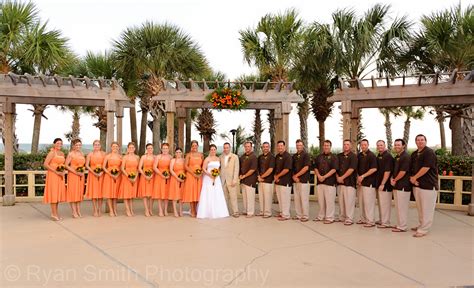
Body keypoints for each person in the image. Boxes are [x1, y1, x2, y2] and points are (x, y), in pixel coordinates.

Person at [410, 134, 438, 237]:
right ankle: (421, 225)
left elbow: (426, 168)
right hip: (417, 185)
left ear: (425, 141)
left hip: (428, 185)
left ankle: (424, 229)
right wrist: (412, 178)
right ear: (415, 142)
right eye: (418, 140)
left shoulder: (429, 153)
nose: (420, 141)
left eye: (422, 140)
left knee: (427, 209)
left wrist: (415, 177)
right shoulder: (414, 154)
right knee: (420, 208)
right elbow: (411, 168)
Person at [196, 144, 229, 219]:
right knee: (208, 193)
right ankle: (206, 212)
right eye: (212, 149)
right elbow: (203, 169)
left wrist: (217, 174)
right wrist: (209, 174)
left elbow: (219, 168)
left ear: (216, 150)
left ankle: (219, 211)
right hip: (208, 178)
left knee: (217, 193)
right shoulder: (207, 159)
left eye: (214, 149)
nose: (213, 151)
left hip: (216, 178)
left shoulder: (218, 159)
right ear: (209, 150)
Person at [313, 140, 338, 224]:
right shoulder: (319, 156)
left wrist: (324, 176)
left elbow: (334, 169)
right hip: (320, 182)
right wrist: (319, 176)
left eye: (328, 145)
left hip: (330, 183)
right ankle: (321, 216)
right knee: (321, 201)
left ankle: (330, 218)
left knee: (329, 201)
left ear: (330, 146)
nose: (326, 147)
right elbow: (315, 167)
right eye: (325, 145)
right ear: (323, 146)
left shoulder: (334, 157)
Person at [391, 139, 412, 233]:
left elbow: (403, 172)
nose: (396, 146)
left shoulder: (406, 157)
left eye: (399, 145)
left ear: (403, 146)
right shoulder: (397, 157)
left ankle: (402, 226)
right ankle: (400, 224)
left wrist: (395, 180)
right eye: (395, 145)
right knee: (398, 206)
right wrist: (392, 179)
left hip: (403, 185)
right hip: (397, 185)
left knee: (402, 207)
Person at [43, 138, 67, 221]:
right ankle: (54, 213)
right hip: (53, 175)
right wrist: (56, 172)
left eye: (61, 143)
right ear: (54, 144)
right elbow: (45, 164)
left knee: (57, 194)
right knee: (53, 194)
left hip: (60, 175)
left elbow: (63, 164)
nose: (59, 145)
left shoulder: (62, 153)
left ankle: (55, 213)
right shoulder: (52, 153)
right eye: (57, 143)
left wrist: (63, 171)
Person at [356, 139, 378, 227]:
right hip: (360, 183)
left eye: (365, 145)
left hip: (369, 183)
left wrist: (362, 176)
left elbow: (374, 169)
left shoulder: (372, 155)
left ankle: (370, 221)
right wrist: (358, 178)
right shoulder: (359, 155)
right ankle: (363, 219)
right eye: (362, 145)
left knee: (369, 203)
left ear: (368, 145)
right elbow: (356, 168)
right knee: (361, 202)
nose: (363, 146)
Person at [336, 139, 358, 225]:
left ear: (351, 146)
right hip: (340, 182)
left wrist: (342, 177)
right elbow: (335, 168)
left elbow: (351, 169)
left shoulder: (353, 156)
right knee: (341, 201)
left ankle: (349, 218)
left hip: (350, 183)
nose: (346, 146)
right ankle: (342, 217)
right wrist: (338, 177)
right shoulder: (338, 156)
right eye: (344, 144)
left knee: (349, 202)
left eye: (347, 144)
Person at [65, 139, 86, 218]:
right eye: (76, 145)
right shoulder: (71, 154)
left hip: (81, 175)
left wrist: (82, 171)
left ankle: (78, 210)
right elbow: (66, 165)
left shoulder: (82, 153)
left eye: (79, 145)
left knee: (79, 193)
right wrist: (76, 172)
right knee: (73, 192)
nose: (78, 146)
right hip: (73, 175)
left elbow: (83, 164)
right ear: (73, 146)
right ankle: (74, 212)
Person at [375, 140, 394, 228]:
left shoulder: (388, 156)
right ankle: (382, 219)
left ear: (385, 145)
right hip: (379, 184)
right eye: (378, 145)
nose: (379, 147)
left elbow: (388, 171)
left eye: (381, 145)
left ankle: (386, 222)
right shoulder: (379, 155)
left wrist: (382, 184)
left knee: (385, 204)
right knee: (381, 203)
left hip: (385, 185)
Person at [292, 139, 311, 222]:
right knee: (297, 199)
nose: (298, 147)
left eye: (300, 145)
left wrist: (296, 175)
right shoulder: (294, 156)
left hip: (303, 181)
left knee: (304, 199)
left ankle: (305, 216)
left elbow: (306, 168)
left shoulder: (306, 155)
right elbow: (292, 168)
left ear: (303, 146)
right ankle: (298, 215)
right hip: (295, 181)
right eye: (297, 145)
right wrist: (294, 176)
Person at [85, 140, 106, 217]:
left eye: (98, 145)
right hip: (92, 175)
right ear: (93, 146)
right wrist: (94, 172)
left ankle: (99, 209)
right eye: (95, 145)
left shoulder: (104, 154)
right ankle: (95, 210)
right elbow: (87, 165)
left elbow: (105, 165)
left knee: (100, 193)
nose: (97, 146)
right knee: (94, 193)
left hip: (101, 174)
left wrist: (102, 172)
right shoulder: (90, 154)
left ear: (100, 146)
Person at [183, 140, 204, 217]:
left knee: (198, 192)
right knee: (192, 192)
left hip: (199, 176)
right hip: (190, 175)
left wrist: (200, 173)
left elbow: (203, 165)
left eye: (196, 145)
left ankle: (197, 209)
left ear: (198, 146)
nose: (194, 147)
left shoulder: (201, 155)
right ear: (191, 147)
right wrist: (193, 173)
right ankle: (192, 210)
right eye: (193, 146)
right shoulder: (188, 155)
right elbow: (186, 166)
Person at [219, 142, 240, 217]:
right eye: (224, 147)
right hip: (223, 180)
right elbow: (219, 168)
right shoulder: (221, 157)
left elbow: (236, 169)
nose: (226, 149)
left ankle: (235, 212)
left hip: (231, 180)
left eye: (227, 147)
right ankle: (226, 212)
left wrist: (235, 179)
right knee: (225, 197)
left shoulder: (235, 157)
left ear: (230, 148)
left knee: (233, 197)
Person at [274, 140, 293, 221]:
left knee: (285, 199)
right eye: (278, 146)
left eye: (281, 146)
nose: (280, 147)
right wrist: (275, 177)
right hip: (278, 181)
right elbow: (276, 168)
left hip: (285, 182)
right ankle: (282, 212)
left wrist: (277, 176)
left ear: (284, 146)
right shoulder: (277, 156)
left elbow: (286, 169)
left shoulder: (288, 156)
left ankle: (286, 215)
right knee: (280, 199)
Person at [119, 142, 139, 217]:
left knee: (131, 194)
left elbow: (138, 169)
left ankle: (131, 209)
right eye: (130, 147)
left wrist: (135, 177)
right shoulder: (125, 157)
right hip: (126, 176)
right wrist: (129, 176)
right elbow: (122, 168)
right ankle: (127, 210)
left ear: (134, 148)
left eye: (132, 148)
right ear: (128, 148)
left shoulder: (137, 157)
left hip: (134, 177)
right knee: (126, 194)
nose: (131, 149)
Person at [102, 142, 122, 217]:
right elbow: (104, 167)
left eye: (116, 146)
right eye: (113, 146)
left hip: (117, 176)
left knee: (115, 194)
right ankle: (111, 210)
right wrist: (110, 174)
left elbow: (121, 168)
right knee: (110, 193)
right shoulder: (108, 156)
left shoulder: (120, 157)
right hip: (109, 176)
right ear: (111, 147)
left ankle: (115, 209)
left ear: (118, 148)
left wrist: (117, 174)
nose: (115, 148)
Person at [153, 143, 172, 216]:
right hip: (159, 176)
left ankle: (165, 210)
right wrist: (161, 175)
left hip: (168, 177)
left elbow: (172, 167)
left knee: (166, 193)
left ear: (168, 149)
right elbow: (155, 167)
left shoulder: (170, 157)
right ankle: (160, 210)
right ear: (161, 149)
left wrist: (168, 175)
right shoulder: (158, 157)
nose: (165, 150)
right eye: (163, 148)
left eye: (166, 148)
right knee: (160, 193)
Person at [239, 141, 258, 217]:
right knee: (245, 197)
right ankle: (245, 210)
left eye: (248, 146)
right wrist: (240, 175)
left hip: (250, 180)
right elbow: (240, 167)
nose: (247, 148)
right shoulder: (242, 156)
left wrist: (244, 176)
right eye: (246, 146)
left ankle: (250, 212)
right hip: (243, 180)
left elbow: (253, 169)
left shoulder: (253, 157)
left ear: (251, 147)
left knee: (250, 197)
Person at [257, 142, 275, 218]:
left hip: (268, 181)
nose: (265, 148)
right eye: (264, 147)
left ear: (269, 147)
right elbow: (257, 168)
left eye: (267, 147)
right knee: (261, 197)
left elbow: (270, 169)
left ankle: (267, 212)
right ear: (262, 148)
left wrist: (262, 177)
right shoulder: (260, 157)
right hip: (260, 181)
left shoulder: (272, 157)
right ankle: (262, 211)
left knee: (267, 197)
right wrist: (258, 176)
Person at [138, 143, 155, 217]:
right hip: (144, 176)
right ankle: (146, 210)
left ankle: (150, 209)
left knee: (151, 194)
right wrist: (145, 175)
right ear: (146, 149)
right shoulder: (143, 157)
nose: (150, 149)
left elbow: (156, 167)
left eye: (151, 148)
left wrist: (152, 175)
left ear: (153, 149)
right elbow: (139, 168)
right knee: (145, 194)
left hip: (153, 176)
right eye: (148, 148)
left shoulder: (155, 157)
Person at [169, 147, 186, 217]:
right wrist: (177, 178)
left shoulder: (184, 160)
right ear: (175, 153)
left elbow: (186, 169)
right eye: (177, 152)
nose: (178, 154)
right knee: (175, 195)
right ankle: (175, 211)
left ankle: (180, 210)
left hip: (182, 179)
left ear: (182, 153)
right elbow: (171, 170)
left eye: (180, 152)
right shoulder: (173, 160)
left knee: (181, 195)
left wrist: (183, 177)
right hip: (175, 178)